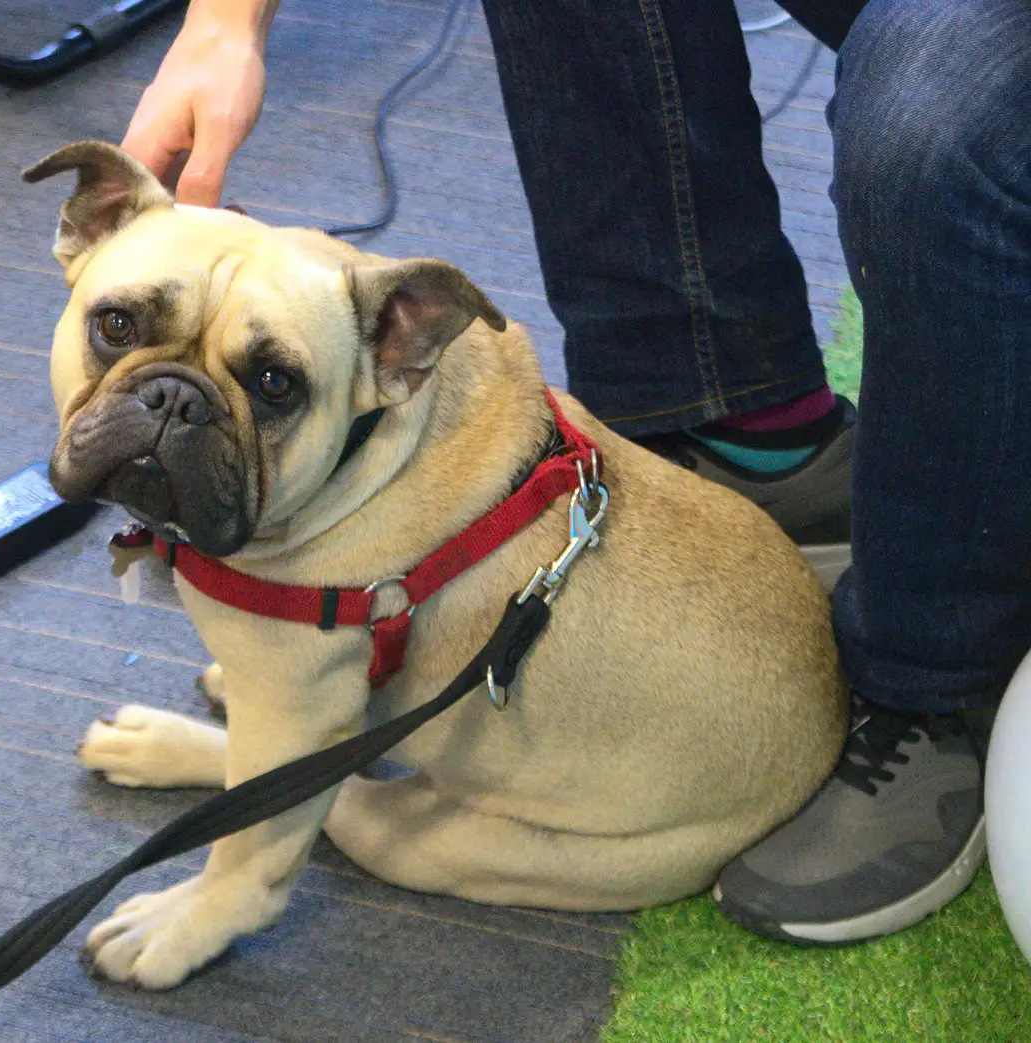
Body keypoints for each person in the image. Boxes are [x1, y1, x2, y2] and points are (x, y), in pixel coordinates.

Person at [117, 0, 1031, 944]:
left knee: (932, 121)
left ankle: (936, 672)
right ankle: (740, 431)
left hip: (630, 821)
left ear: (397, 352)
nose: (169, 411)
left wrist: (277, 754)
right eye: (120, 331)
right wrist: (228, 25)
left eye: (269, 382)